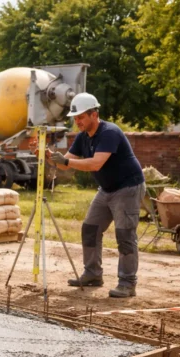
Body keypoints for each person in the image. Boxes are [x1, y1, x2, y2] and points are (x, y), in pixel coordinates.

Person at [46, 93, 146, 298]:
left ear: (94, 114)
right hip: (107, 189)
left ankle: (127, 283)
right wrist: (47, 156)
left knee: (125, 235)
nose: (77, 122)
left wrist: (64, 161)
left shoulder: (109, 132)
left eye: (81, 117)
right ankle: (93, 274)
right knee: (90, 228)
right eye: (75, 118)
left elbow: (95, 163)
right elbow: (64, 163)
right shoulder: (83, 137)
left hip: (128, 188)